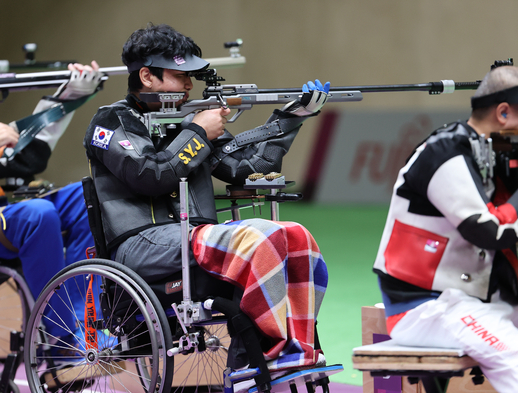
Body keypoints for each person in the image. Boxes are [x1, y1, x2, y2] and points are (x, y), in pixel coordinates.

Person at [83, 23, 329, 373]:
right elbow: (150, 175)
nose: (188, 85)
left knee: (296, 238)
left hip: (195, 240)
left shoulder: (186, 119)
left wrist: (290, 118)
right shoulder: (111, 121)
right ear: (147, 76)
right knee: (263, 237)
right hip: (140, 246)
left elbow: (249, 169)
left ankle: (291, 348)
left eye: (191, 77)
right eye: (178, 75)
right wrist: (198, 132)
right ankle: (265, 353)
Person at [373, 65, 518, 393]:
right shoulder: (445, 153)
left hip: (481, 301)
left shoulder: (488, 152)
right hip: (425, 307)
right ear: (504, 113)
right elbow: (492, 231)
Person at [0, 62, 104, 350]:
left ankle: (89, 325)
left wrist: (71, 93)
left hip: (6, 208)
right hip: (13, 216)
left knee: (91, 196)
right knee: (38, 215)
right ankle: (63, 337)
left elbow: (28, 160)